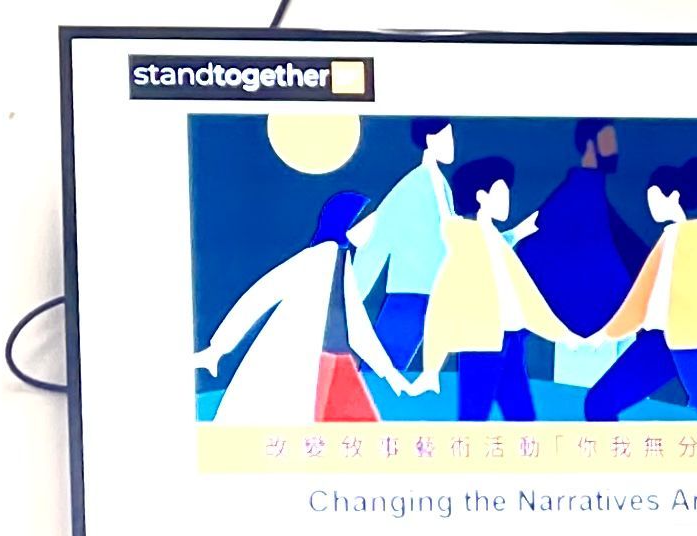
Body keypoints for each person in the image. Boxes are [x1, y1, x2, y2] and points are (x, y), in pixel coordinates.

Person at [192, 188, 415, 424]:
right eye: (367, 219)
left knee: (351, 438)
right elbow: (259, 296)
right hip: (301, 361)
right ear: (347, 223)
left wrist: (390, 373)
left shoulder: (342, 264)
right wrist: (219, 347)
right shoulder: (311, 261)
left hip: (337, 362)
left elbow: (358, 328)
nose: (373, 227)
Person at [585, 161, 697, 425]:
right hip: (663, 344)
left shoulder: (694, 244)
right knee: (599, 403)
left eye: (653, 197)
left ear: (673, 196)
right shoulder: (670, 239)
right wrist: (606, 335)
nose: (649, 204)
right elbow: (640, 300)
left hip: (694, 349)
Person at [418, 156, 579, 425]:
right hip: (481, 343)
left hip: (511, 339)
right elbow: (443, 304)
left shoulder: (490, 238)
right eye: (503, 191)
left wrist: (561, 334)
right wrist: (432, 366)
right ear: (482, 196)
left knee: (521, 419)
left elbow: (523, 295)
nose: (508, 199)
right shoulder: (466, 244)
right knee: (474, 421)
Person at [521, 119, 646, 389]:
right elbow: (540, 254)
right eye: (608, 142)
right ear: (590, 145)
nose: (615, 150)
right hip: (585, 325)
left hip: (607, 323)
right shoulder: (573, 198)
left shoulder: (594, 195)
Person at [347, 118, 459, 400]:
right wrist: (353, 297)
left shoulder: (440, 185)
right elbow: (377, 239)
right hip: (409, 293)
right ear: (431, 140)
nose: (452, 145)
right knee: (379, 376)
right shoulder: (412, 186)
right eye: (446, 138)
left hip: (436, 291)